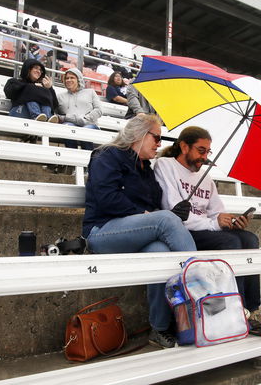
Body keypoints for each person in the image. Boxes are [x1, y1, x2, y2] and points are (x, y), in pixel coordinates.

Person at [154, 126, 261, 337]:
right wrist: (216, 223)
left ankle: (252, 309)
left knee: (249, 239)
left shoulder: (206, 178)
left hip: (206, 229)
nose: (204, 157)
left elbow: (216, 213)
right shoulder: (165, 165)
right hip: (183, 231)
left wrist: (231, 221)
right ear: (184, 146)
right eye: (200, 150)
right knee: (231, 243)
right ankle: (237, 311)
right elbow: (175, 212)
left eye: (208, 152)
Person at [82, 114, 196, 349]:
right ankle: (201, 289)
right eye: (157, 137)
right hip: (102, 231)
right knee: (165, 220)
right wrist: (146, 215)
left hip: (135, 234)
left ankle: (160, 327)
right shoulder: (107, 155)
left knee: (161, 252)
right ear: (140, 135)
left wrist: (175, 210)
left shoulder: (146, 168)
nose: (159, 144)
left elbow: (154, 207)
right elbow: (106, 198)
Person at [56, 68, 102, 150]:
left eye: (72, 78)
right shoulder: (60, 96)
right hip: (69, 123)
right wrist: (67, 118)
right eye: (67, 78)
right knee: (67, 128)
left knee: (84, 132)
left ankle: (88, 159)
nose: (68, 80)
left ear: (79, 79)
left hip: (89, 124)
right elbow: (55, 114)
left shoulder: (90, 92)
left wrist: (85, 119)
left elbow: (98, 110)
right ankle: (72, 160)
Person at [4, 58, 59, 125]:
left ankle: (47, 117)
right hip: (20, 114)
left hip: (42, 120)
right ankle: (36, 116)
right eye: (36, 68)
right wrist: (32, 86)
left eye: (40, 70)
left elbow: (55, 105)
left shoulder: (43, 87)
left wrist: (50, 88)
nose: (39, 71)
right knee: (32, 89)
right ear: (28, 69)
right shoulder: (15, 81)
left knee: (45, 92)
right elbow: (9, 93)